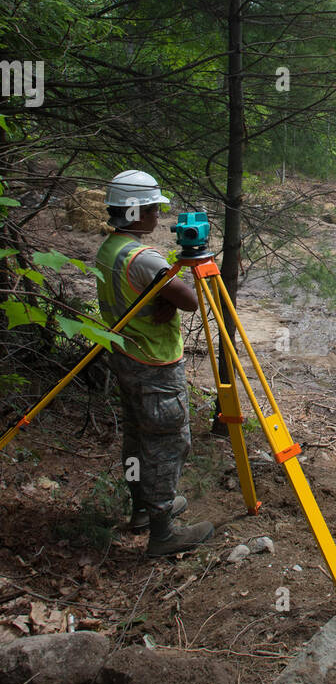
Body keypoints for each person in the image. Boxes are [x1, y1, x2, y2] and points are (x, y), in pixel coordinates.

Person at [95, 170, 214, 556]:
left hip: (124, 356)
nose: (158, 217)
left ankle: (141, 509)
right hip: (154, 363)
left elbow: (140, 293)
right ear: (134, 211)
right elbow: (190, 300)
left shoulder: (110, 248)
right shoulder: (143, 258)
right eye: (151, 209)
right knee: (166, 442)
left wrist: (157, 298)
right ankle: (163, 531)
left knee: (136, 436)